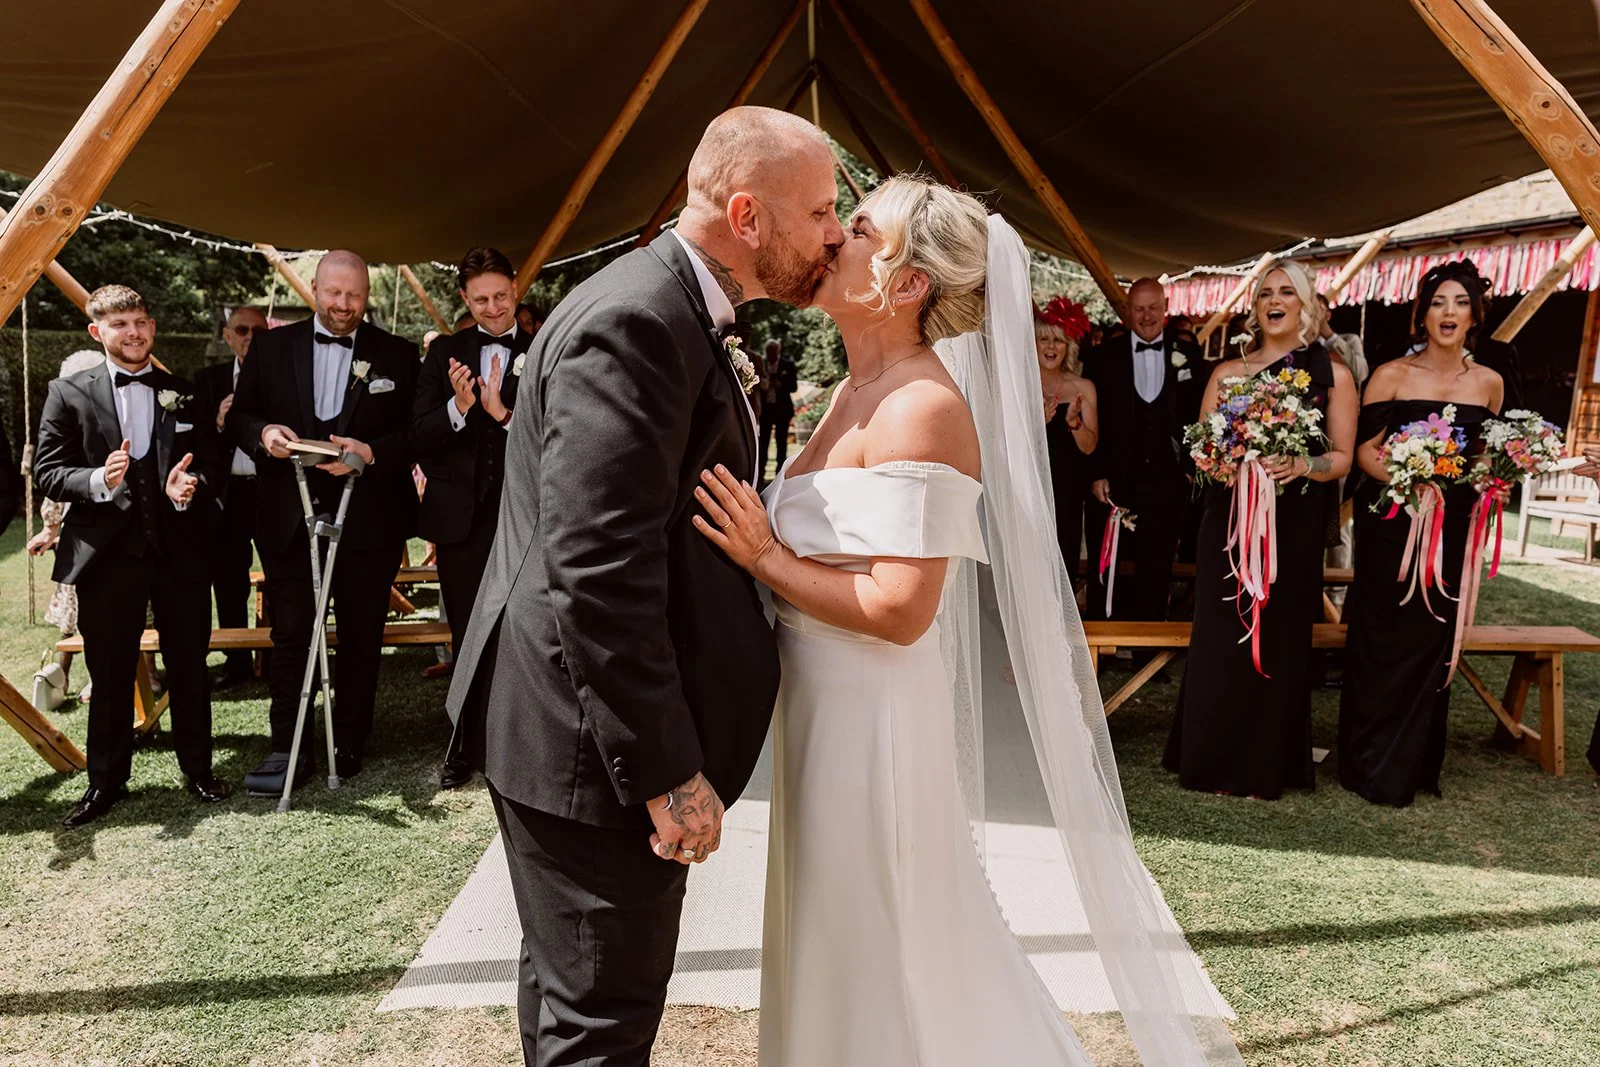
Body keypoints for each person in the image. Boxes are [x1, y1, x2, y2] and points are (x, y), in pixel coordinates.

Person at [694, 176, 1242, 1066]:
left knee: (883, 941)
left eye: (857, 226)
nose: (832, 236)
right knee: (837, 933)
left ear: (907, 283)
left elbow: (901, 610)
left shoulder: (926, 407)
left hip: (871, 733)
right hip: (819, 719)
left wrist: (765, 557)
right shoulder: (846, 393)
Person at [444, 106, 842, 1066]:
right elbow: (598, 566)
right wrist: (665, 771)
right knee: (599, 1025)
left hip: (571, 731)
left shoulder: (670, 305)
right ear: (747, 216)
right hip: (591, 750)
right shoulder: (637, 319)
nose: (835, 232)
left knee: (569, 1004)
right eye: (822, 210)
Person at [33, 284, 231, 827]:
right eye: (121, 325)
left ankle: (198, 770)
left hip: (179, 552)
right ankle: (106, 782)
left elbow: (211, 459)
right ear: (98, 332)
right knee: (111, 670)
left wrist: (189, 483)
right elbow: (49, 471)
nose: (135, 333)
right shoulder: (67, 392)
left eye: (141, 321)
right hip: (108, 556)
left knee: (189, 661)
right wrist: (97, 478)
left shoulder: (183, 392)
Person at [1163, 264, 1358, 799]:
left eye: (1286, 292)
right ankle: (1211, 761)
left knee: (1280, 641)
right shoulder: (1228, 371)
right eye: (1265, 292)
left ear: (1305, 302)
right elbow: (1201, 448)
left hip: (1292, 529)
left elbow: (1342, 457)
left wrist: (1304, 464)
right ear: (1256, 306)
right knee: (1221, 638)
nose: (1275, 300)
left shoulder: (1332, 373)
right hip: (1227, 522)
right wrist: (1224, 463)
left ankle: (1264, 766)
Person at [230, 250, 420, 795]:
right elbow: (241, 417)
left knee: (362, 636)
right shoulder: (269, 346)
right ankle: (289, 746)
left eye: (354, 295)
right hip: (289, 520)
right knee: (291, 636)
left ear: (367, 296)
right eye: (334, 294)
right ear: (315, 289)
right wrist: (264, 434)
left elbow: (415, 433)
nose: (343, 306)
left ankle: (351, 739)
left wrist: (371, 451)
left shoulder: (398, 356)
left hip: (368, 522)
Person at [1339, 261, 1504, 806]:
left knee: (1432, 637)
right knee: (1382, 636)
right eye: (1438, 303)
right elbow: (1365, 452)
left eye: (1459, 302)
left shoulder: (1489, 384)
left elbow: (1481, 459)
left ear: (1474, 314)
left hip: (1451, 532)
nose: (1448, 312)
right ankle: (1367, 762)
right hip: (1392, 525)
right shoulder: (1390, 375)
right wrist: (1415, 479)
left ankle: (1411, 764)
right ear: (1422, 314)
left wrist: (1489, 481)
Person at [412, 247, 528, 791]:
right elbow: (419, 435)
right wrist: (460, 408)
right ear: (464, 299)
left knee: (524, 630)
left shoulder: (542, 349)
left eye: (500, 296)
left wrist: (502, 414)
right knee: (467, 629)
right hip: (460, 521)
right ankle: (463, 744)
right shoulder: (444, 355)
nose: (492, 309)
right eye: (480, 300)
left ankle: (523, 740)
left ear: (515, 289)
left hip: (526, 515)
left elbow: (559, 432)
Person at [1082, 277, 1204, 620]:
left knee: (1159, 562)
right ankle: (1101, 645)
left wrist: (1190, 469)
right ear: (1127, 312)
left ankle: (1146, 650)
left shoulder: (1188, 356)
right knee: (1105, 562)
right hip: (1115, 480)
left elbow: (1200, 415)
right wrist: (1096, 473)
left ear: (1165, 310)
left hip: (1168, 480)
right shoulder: (1102, 357)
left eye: (1153, 308)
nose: (1147, 316)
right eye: (1139, 309)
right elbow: (1092, 418)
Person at [194, 305, 269, 688]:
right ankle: (236, 661)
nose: (250, 337)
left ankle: (276, 655)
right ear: (227, 335)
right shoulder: (208, 380)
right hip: (227, 496)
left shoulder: (282, 378)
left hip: (271, 490)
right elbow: (194, 442)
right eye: (242, 330)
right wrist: (220, 423)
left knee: (281, 575)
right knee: (228, 579)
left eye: (258, 329)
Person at [28, 351, 114, 641]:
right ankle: (64, 672)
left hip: (121, 527)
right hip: (81, 530)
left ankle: (148, 672)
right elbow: (57, 484)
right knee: (77, 605)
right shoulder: (66, 425)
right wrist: (49, 529)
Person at [1036, 297, 1097, 574]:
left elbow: (1089, 447)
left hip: (1068, 492)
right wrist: (1036, 421)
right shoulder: (1017, 384)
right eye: (1044, 339)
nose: (1051, 347)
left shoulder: (1082, 387)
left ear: (1068, 346)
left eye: (1058, 341)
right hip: (1028, 488)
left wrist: (1073, 422)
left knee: (1064, 561)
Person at [757, 339, 798, 486]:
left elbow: (793, 387)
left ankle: (779, 477)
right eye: (768, 352)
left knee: (782, 443)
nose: (771, 355)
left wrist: (779, 384)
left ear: (778, 351)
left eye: (773, 352)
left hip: (782, 410)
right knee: (763, 443)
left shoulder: (788, 365)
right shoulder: (761, 363)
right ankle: (760, 474)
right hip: (766, 410)